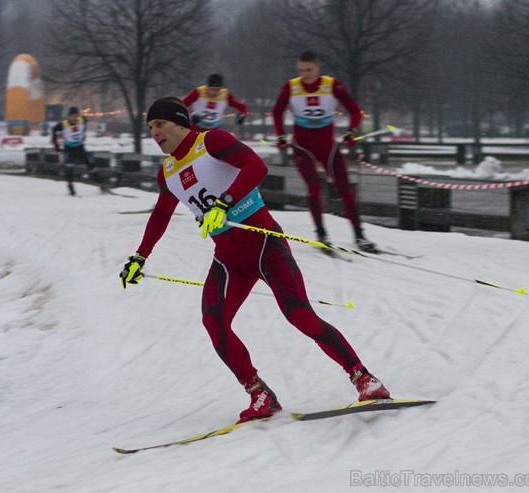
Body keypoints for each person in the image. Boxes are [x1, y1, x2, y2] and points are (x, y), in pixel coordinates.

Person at [119, 97, 390, 423]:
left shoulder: (212, 141)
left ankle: (363, 376)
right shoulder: (168, 171)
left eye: (159, 124)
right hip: (229, 259)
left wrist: (224, 203)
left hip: (265, 244)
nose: (154, 133)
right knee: (213, 321)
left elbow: (256, 166)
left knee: (299, 315)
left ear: (179, 123)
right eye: (150, 128)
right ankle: (259, 393)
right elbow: (161, 214)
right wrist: (140, 257)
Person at [272, 51, 377, 253]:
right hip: (303, 148)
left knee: (345, 189)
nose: (305, 74)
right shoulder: (291, 87)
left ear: (318, 67)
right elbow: (277, 111)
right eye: (301, 70)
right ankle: (321, 233)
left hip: (328, 146)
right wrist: (281, 136)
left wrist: (352, 131)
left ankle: (359, 235)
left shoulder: (332, 85)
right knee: (314, 188)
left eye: (309, 70)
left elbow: (354, 110)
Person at [51, 106, 104, 196]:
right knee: (69, 166)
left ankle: (101, 185)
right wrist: (56, 145)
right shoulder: (64, 124)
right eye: (72, 116)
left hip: (80, 147)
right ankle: (70, 186)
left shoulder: (81, 120)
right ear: (69, 116)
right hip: (69, 148)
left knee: (90, 164)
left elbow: (87, 118)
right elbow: (54, 130)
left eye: (75, 116)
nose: (74, 118)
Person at [182, 74, 249, 133]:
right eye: (212, 89)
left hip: (214, 129)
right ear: (207, 87)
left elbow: (242, 107)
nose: (215, 92)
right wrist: (191, 115)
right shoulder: (198, 92)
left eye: (217, 90)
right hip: (196, 128)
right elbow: (181, 104)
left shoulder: (225, 95)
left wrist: (242, 115)